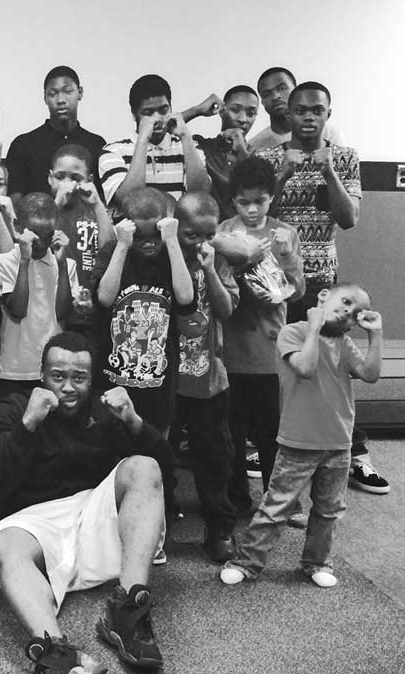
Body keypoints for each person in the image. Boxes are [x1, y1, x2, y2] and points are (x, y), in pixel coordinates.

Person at [0, 331, 169, 674]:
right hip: (35, 522)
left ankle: (128, 611)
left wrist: (134, 422)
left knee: (144, 466)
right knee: (6, 544)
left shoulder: (105, 412)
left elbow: (163, 477)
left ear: (91, 379)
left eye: (79, 378)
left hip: (92, 514)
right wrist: (28, 425)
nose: (68, 387)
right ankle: (59, 657)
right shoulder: (13, 408)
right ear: (42, 375)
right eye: (57, 376)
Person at [255, 81, 386, 497]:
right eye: (300, 110)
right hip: (273, 280)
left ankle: (341, 453)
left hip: (323, 286)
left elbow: (348, 218)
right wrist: (284, 172)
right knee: (279, 367)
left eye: (317, 110)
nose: (309, 117)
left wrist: (327, 169)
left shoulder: (344, 157)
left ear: (328, 114)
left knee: (328, 369)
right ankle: (278, 452)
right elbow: (256, 213)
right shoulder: (266, 156)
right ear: (287, 115)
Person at [221, 285, 382, 588]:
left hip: (338, 444)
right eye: (345, 302)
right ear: (323, 297)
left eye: (356, 312)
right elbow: (305, 368)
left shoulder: (345, 343)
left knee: (328, 510)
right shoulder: (292, 333)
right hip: (298, 442)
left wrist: (375, 334)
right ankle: (246, 563)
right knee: (276, 506)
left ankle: (317, 562)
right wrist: (314, 327)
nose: (349, 311)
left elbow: (371, 374)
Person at [220, 156, 304, 514]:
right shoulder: (223, 232)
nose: (252, 210)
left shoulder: (284, 233)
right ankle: (237, 497)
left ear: (272, 198)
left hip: (271, 353)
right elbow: (218, 287)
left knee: (273, 434)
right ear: (233, 201)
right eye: (244, 202)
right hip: (231, 352)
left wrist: (286, 257)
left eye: (260, 201)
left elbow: (297, 292)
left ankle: (279, 500)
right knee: (232, 434)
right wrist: (241, 261)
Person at [171, 192, 239, 561]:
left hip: (209, 380)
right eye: (191, 235)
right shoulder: (161, 259)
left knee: (213, 458)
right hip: (166, 380)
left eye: (209, 235)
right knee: (161, 453)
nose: (200, 243)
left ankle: (219, 527)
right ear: (175, 229)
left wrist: (211, 269)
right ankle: (160, 524)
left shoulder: (218, 262)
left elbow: (226, 309)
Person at [93, 188, 195, 433]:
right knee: (109, 452)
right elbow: (104, 298)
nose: (149, 243)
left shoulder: (171, 253)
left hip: (158, 385)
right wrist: (122, 245)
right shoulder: (113, 251)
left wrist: (171, 240)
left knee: (156, 451)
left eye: (155, 236)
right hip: (112, 380)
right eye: (140, 236)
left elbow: (186, 298)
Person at [0, 193, 75, 400]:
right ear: (18, 227)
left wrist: (62, 265)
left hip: (54, 369)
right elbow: (17, 310)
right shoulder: (1, 262)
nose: (41, 244)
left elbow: (63, 313)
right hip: (14, 368)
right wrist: (24, 262)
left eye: (48, 236)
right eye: (36, 236)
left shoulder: (66, 264)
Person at [99, 74, 210, 210]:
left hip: (179, 229)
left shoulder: (190, 147)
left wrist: (185, 136)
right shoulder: (113, 151)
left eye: (164, 110)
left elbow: (201, 196)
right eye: (148, 112)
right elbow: (128, 200)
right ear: (134, 114)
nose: (158, 119)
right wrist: (143, 140)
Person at [6, 66, 106, 201]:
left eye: (67, 91)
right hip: (33, 221)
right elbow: (15, 205)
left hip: (84, 220)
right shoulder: (23, 145)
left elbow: (101, 200)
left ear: (80, 92)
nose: (60, 100)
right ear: (45, 98)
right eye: (53, 93)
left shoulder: (96, 144)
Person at [49, 143, 115, 340]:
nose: (67, 183)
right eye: (60, 177)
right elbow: (40, 239)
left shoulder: (96, 209)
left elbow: (109, 248)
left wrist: (97, 205)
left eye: (75, 178)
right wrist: (57, 204)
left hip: (93, 306)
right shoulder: (47, 208)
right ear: (50, 177)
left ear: (90, 180)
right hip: (55, 308)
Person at [191, 86, 260, 220]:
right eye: (235, 110)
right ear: (222, 111)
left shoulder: (256, 156)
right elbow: (161, 132)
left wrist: (241, 150)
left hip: (243, 235)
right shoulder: (202, 146)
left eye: (251, 113)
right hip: (205, 233)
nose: (243, 119)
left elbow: (256, 196)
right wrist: (197, 110)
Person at [249, 67, 345, 152]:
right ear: (262, 102)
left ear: (295, 90)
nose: (275, 96)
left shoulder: (330, 134)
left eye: (282, 88)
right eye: (267, 94)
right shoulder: (255, 146)